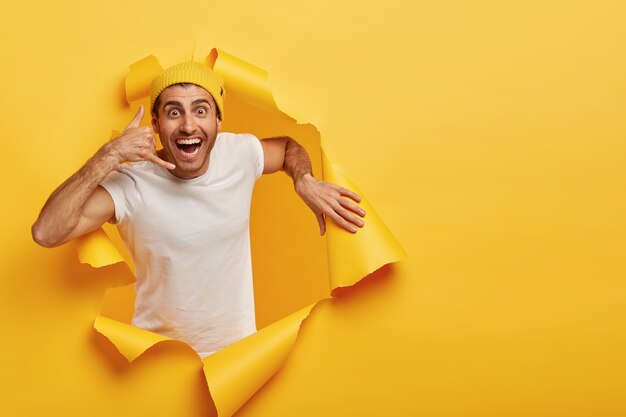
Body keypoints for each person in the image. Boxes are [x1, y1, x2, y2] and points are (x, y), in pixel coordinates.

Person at [32, 61, 365, 357]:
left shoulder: (239, 153)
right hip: (157, 364)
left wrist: (304, 180)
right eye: (174, 112)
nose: (188, 125)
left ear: (219, 121)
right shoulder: (130, 183)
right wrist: (108, 155)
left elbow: (288, 147)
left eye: (201, 110)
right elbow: (46, 232)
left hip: (237, 361)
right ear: (156, 124)